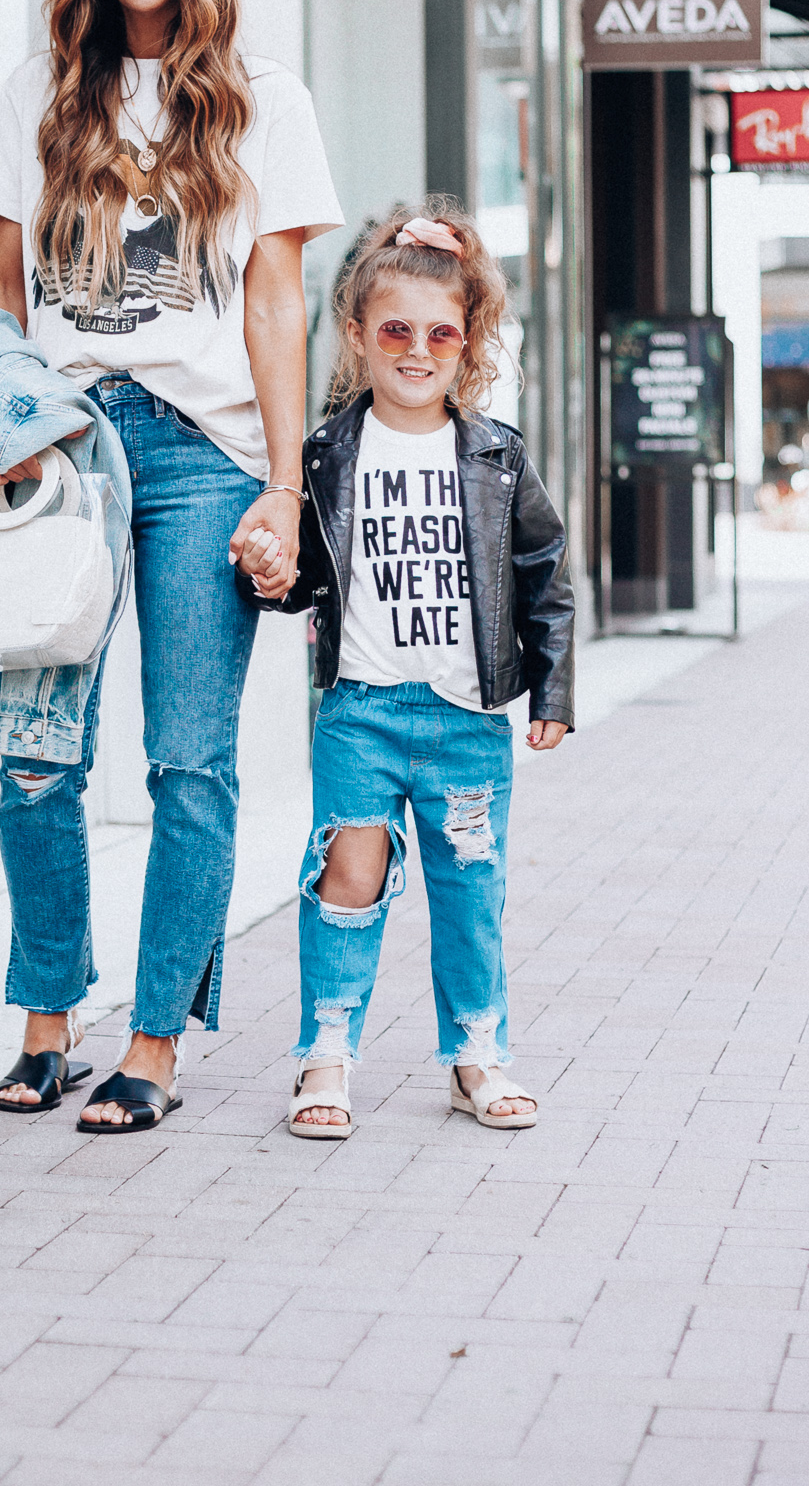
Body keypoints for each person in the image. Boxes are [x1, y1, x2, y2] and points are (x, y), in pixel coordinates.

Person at [0, 0, 344, 1132]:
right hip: (61, 447)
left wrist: (284, 490)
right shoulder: (36, 93)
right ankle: (44, 1023)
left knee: (189, 762)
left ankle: (153, 1044)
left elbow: (279, 300)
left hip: (201, 458)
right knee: (35, 758)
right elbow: (0, 291)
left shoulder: (262, 98)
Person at [236, 205, 575, 1139]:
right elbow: (304, 579)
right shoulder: (326, 455)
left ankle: (475, 1054)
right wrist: (269, 570)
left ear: (467, 345)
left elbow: (545, 576)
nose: (416, 350)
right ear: (356, 334)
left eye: (439, 334)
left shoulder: (498, 457)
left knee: (471, 889)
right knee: (345, 878)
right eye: (395, 330)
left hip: (467, 717)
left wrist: (551, 690)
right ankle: (325, 1054)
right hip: (360, 715)